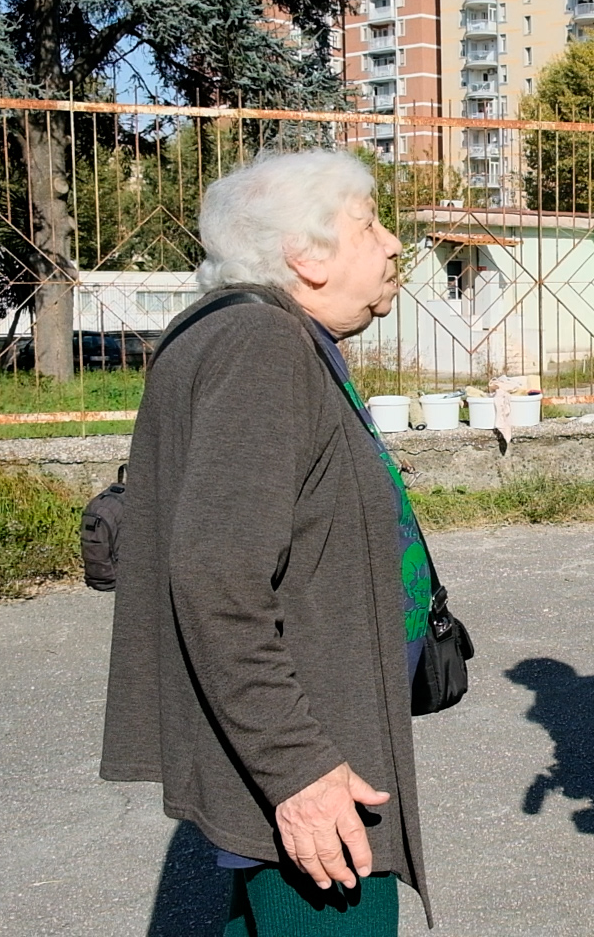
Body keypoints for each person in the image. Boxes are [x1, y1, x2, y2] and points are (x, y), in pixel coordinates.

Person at [101, 150, 433, 936]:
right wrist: (299, 768)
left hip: (303, 745)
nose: (392, 244)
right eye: (369, 224)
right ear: (305, 255)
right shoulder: (262, 344)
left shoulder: (242, 333)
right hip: (319, 765)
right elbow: (217, 575)